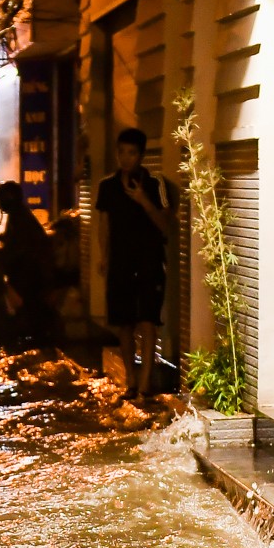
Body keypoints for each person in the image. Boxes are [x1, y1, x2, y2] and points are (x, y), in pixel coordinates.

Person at [95, 127, 176, 400]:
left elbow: (166, 227)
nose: (125, 158)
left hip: (150, 262)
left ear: (141, 155)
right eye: (121, 152)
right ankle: (130, 380)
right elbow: (103, 225)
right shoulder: (107, 186)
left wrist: (143, 201)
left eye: (131, 153)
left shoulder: (156, 185)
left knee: (148, 321)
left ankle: (144, 385)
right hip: (120, 262)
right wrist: (104, 257)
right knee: (123, 323)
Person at [0, 180, 57, 348]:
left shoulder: (20, 218)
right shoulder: (17, 215)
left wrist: (2, 253)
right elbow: (10, 240)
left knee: (25, 301)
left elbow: (19, 247)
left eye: (0, 199)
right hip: (30, 268)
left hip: (32, 272)